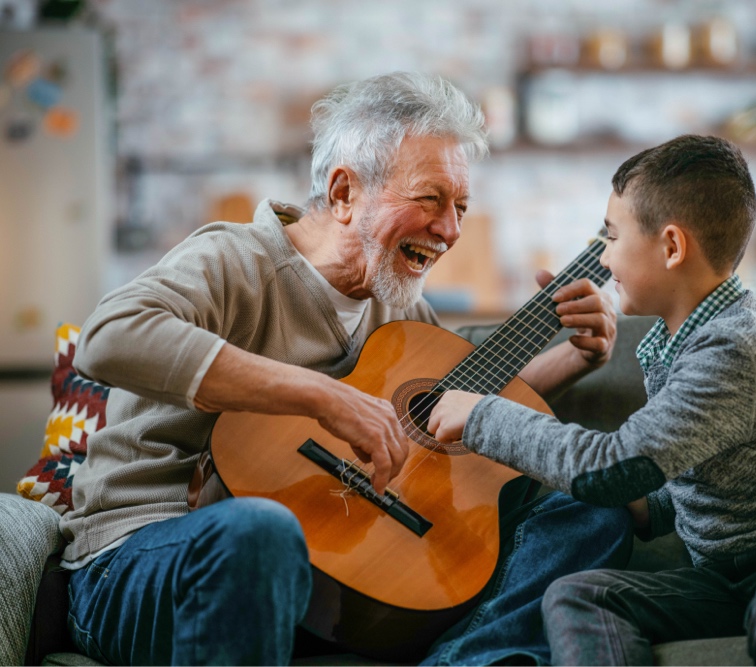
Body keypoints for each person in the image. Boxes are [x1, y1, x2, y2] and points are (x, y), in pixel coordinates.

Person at [61, 71, 632, 666]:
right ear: (342, 194)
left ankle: (464, 660)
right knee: (259, 532)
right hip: (145, 556)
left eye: (461, 207)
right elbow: (108, 337)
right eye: (431, 199)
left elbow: (451, 416)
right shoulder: (232, 260)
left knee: (595, 507)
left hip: (329, 569)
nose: (452, 230)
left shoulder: (400, 303)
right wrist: (323, 397)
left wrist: (575, 357)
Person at [428, 134, 756, 665]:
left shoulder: (733, 342)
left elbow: (618, 467)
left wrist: (483, 415)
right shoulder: (676, 342)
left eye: (610, 237)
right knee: (578, 596)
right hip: (732, 578)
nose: (602, 258)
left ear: (673, 247)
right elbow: (669, 488)